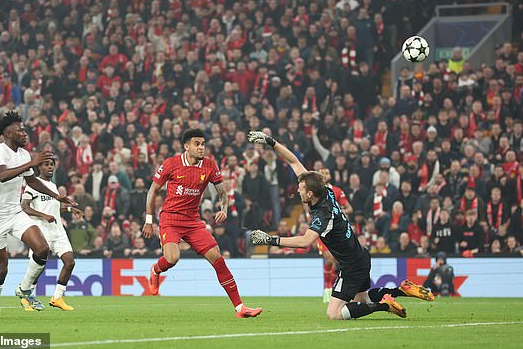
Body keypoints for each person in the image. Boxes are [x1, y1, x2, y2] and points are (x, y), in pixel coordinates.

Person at [247, 131, 434, 320]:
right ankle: (402, 290)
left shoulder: (322, 214)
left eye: (301, 188)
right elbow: (294, 162)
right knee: (363, 298)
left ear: (310, 193)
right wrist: (272, 142)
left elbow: (305, 241)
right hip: (360, 256)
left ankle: (384, 305)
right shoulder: (325, 191)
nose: (298, 190)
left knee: (334, 314)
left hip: (351, 266)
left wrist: (271, 240)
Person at [142, 129, 262, 318]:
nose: (201, 147)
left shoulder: (209, 166)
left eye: (203, 144)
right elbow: (152, 191)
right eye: (196, 144)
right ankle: (156, 269)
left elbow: (222, 193)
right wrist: (149, 221)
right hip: (170, 219)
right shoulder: (171, 164)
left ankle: (240, 308)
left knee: (217, 257)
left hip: (192, 221)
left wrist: (224, 208)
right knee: (172, 258)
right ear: (186, 146)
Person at [0, 112, 76, 319]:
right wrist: (32, 163)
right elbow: (3, 175)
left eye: (24, 129)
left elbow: (32, 182)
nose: (25, 133)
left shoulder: (24, 154)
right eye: (20, 129)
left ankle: (25, 290)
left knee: (42, 249)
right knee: (1, 269)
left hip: (14, 211)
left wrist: (57, 197)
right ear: (7, 132)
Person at [20, 158, 83, 311]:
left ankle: (57, 297)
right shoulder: (33, 185)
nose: (50, 167)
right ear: (39, 167)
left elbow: (53, 209)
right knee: (38, 268)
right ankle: (26, 297)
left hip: (58, 231)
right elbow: (24, 207)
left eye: (51, 165)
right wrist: (43, 216)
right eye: (46, 164)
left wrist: (69, 209)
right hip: (41, 231)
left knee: (70, 262)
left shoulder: (53, 187)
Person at [315, 168, 353, 303]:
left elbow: (349, 208)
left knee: (335, 260)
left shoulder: (337, 191)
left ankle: (330, 288)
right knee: (329, 259)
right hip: (320, 230)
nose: (324, 175)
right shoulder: (315, 192)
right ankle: (327, 288)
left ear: (330, 175)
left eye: (326, 173)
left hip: (334, 231)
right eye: (321, 174)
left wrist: (337, 212)